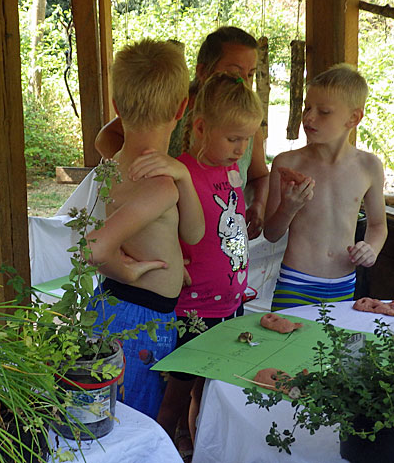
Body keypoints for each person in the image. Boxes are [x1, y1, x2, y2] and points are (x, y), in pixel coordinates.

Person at [128, 73, 263, 459]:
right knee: (176, 393)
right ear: (201, 127)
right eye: (233, 138)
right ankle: (159, 451)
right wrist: (173, 257)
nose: (241, 148)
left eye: (247, 139)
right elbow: (159, 227)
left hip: (231, 304)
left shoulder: (229, 171)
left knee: (213, 391)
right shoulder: (177, 171)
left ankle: (201, 448)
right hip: (194, 309)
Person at [87, 39, 205, 420]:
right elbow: (95, 248)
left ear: (116, 107)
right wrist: (129, 270)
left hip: (119, 309)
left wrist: (182, 175)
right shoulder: (160, 186)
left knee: (107, 414)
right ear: (182, 109)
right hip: (138, 320)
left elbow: (189, 235)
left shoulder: (114, 158)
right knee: (131, 418)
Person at [94, 26, 269, 241]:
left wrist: (258, 205)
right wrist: (141, 173)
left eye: (250, 74)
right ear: (202, 71)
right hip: (166, 229)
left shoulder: (246, 124)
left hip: (219, 238)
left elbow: (260, 176)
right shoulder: (169, 107)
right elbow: (106, 138)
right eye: (234, 72)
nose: (244, 82)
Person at [264, 64, 387, 310]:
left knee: (332, 338)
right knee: (285, 336)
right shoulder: (287, 163)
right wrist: (288, 208)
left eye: (324, 112)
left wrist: (371, 249)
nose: (309, 117)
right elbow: (271, 233)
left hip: (344, 283)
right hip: (295, 281)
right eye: (307, 107)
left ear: (354, 118)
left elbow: (378, 225)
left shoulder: (368, 166)